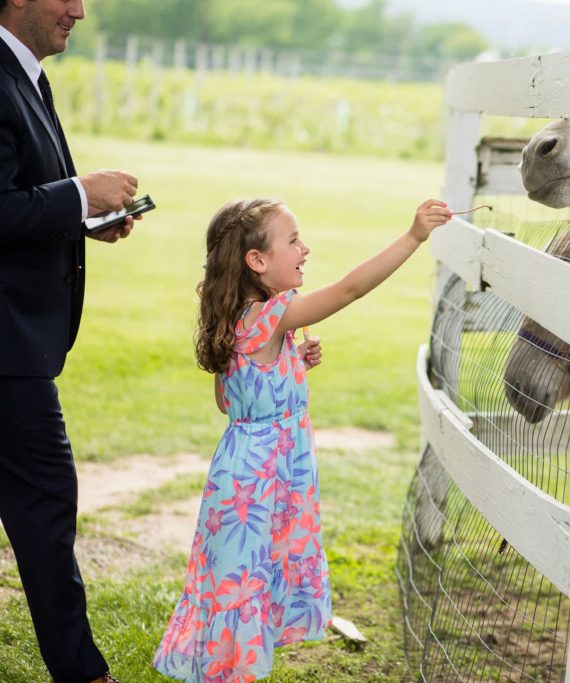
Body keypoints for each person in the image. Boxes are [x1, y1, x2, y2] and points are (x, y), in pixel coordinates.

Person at [152, 197, 451, 681]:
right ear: (257, 261)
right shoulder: (273, 316)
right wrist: (414, 236)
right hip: (258, 483)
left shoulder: (241, 318)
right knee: (244, 585)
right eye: (293, 241)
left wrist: (289, 363)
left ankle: (231, 670)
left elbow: (229, 403)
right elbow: (351, 289)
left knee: (241, 581)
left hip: (247, 476)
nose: (305, 249)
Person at [0, 1, 142, 681]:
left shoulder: (26, 75)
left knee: (42, 506)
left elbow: (20, 197)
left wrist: (85, 221)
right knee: (45, 504)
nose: (80, 11)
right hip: (7, 350)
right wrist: (80, 195)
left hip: (21, 345)